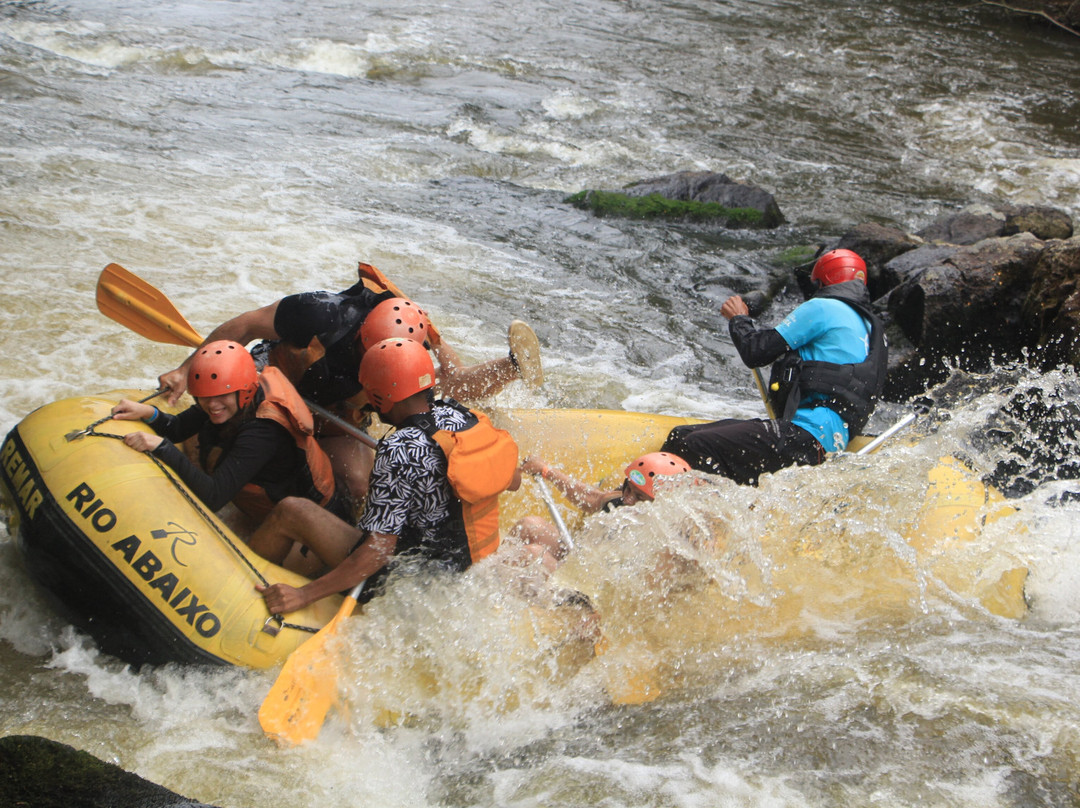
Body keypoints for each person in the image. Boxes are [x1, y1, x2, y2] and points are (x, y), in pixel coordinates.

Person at [155, 262, 543, 502]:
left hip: (337, 409)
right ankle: (205, 455)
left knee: (359, 484)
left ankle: (512, 366)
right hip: (279, 376)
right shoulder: (320, 313)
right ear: (363, 337)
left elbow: (452, 381)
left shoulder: (415, 338)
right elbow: (245, 326)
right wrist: (185, 371)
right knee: (240, 428)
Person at [252, 337, 522, 614]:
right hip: (468, 572)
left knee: (291, 510)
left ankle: (246, 585)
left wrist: (304, 595)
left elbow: (378, 551)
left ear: (380, 395)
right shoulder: (463, 416)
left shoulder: (398, 449)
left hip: (410, 583)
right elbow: (513, 480)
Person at [660, 248, 887, 485]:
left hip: (805, 436)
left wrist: (739, 319)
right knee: (681, 435)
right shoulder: (873, 331)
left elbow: (756, 351)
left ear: (823, 281)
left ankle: (658, 496)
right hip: (827, 442)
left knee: (693, 444)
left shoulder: (824, 307)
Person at [111, 340, 349, 523]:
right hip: (267, 490)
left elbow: (213, 498)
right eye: (203, 397)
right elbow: (177, 428)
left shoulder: (263, 431)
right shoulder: (225, 395)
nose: (212, 405)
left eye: (220, 396)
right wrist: (147, 412)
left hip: (313, 512)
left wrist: (161, 447)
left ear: (244, 390)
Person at [512, 451, 693, 564]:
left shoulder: (671, 542)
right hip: (582, 568)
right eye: (628, 488)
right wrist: (545, 471)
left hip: (600, 595)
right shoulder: (620, 501)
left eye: (639, 497)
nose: (628, 499)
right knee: (529, 525)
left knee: (534, 555)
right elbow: (590, 497)